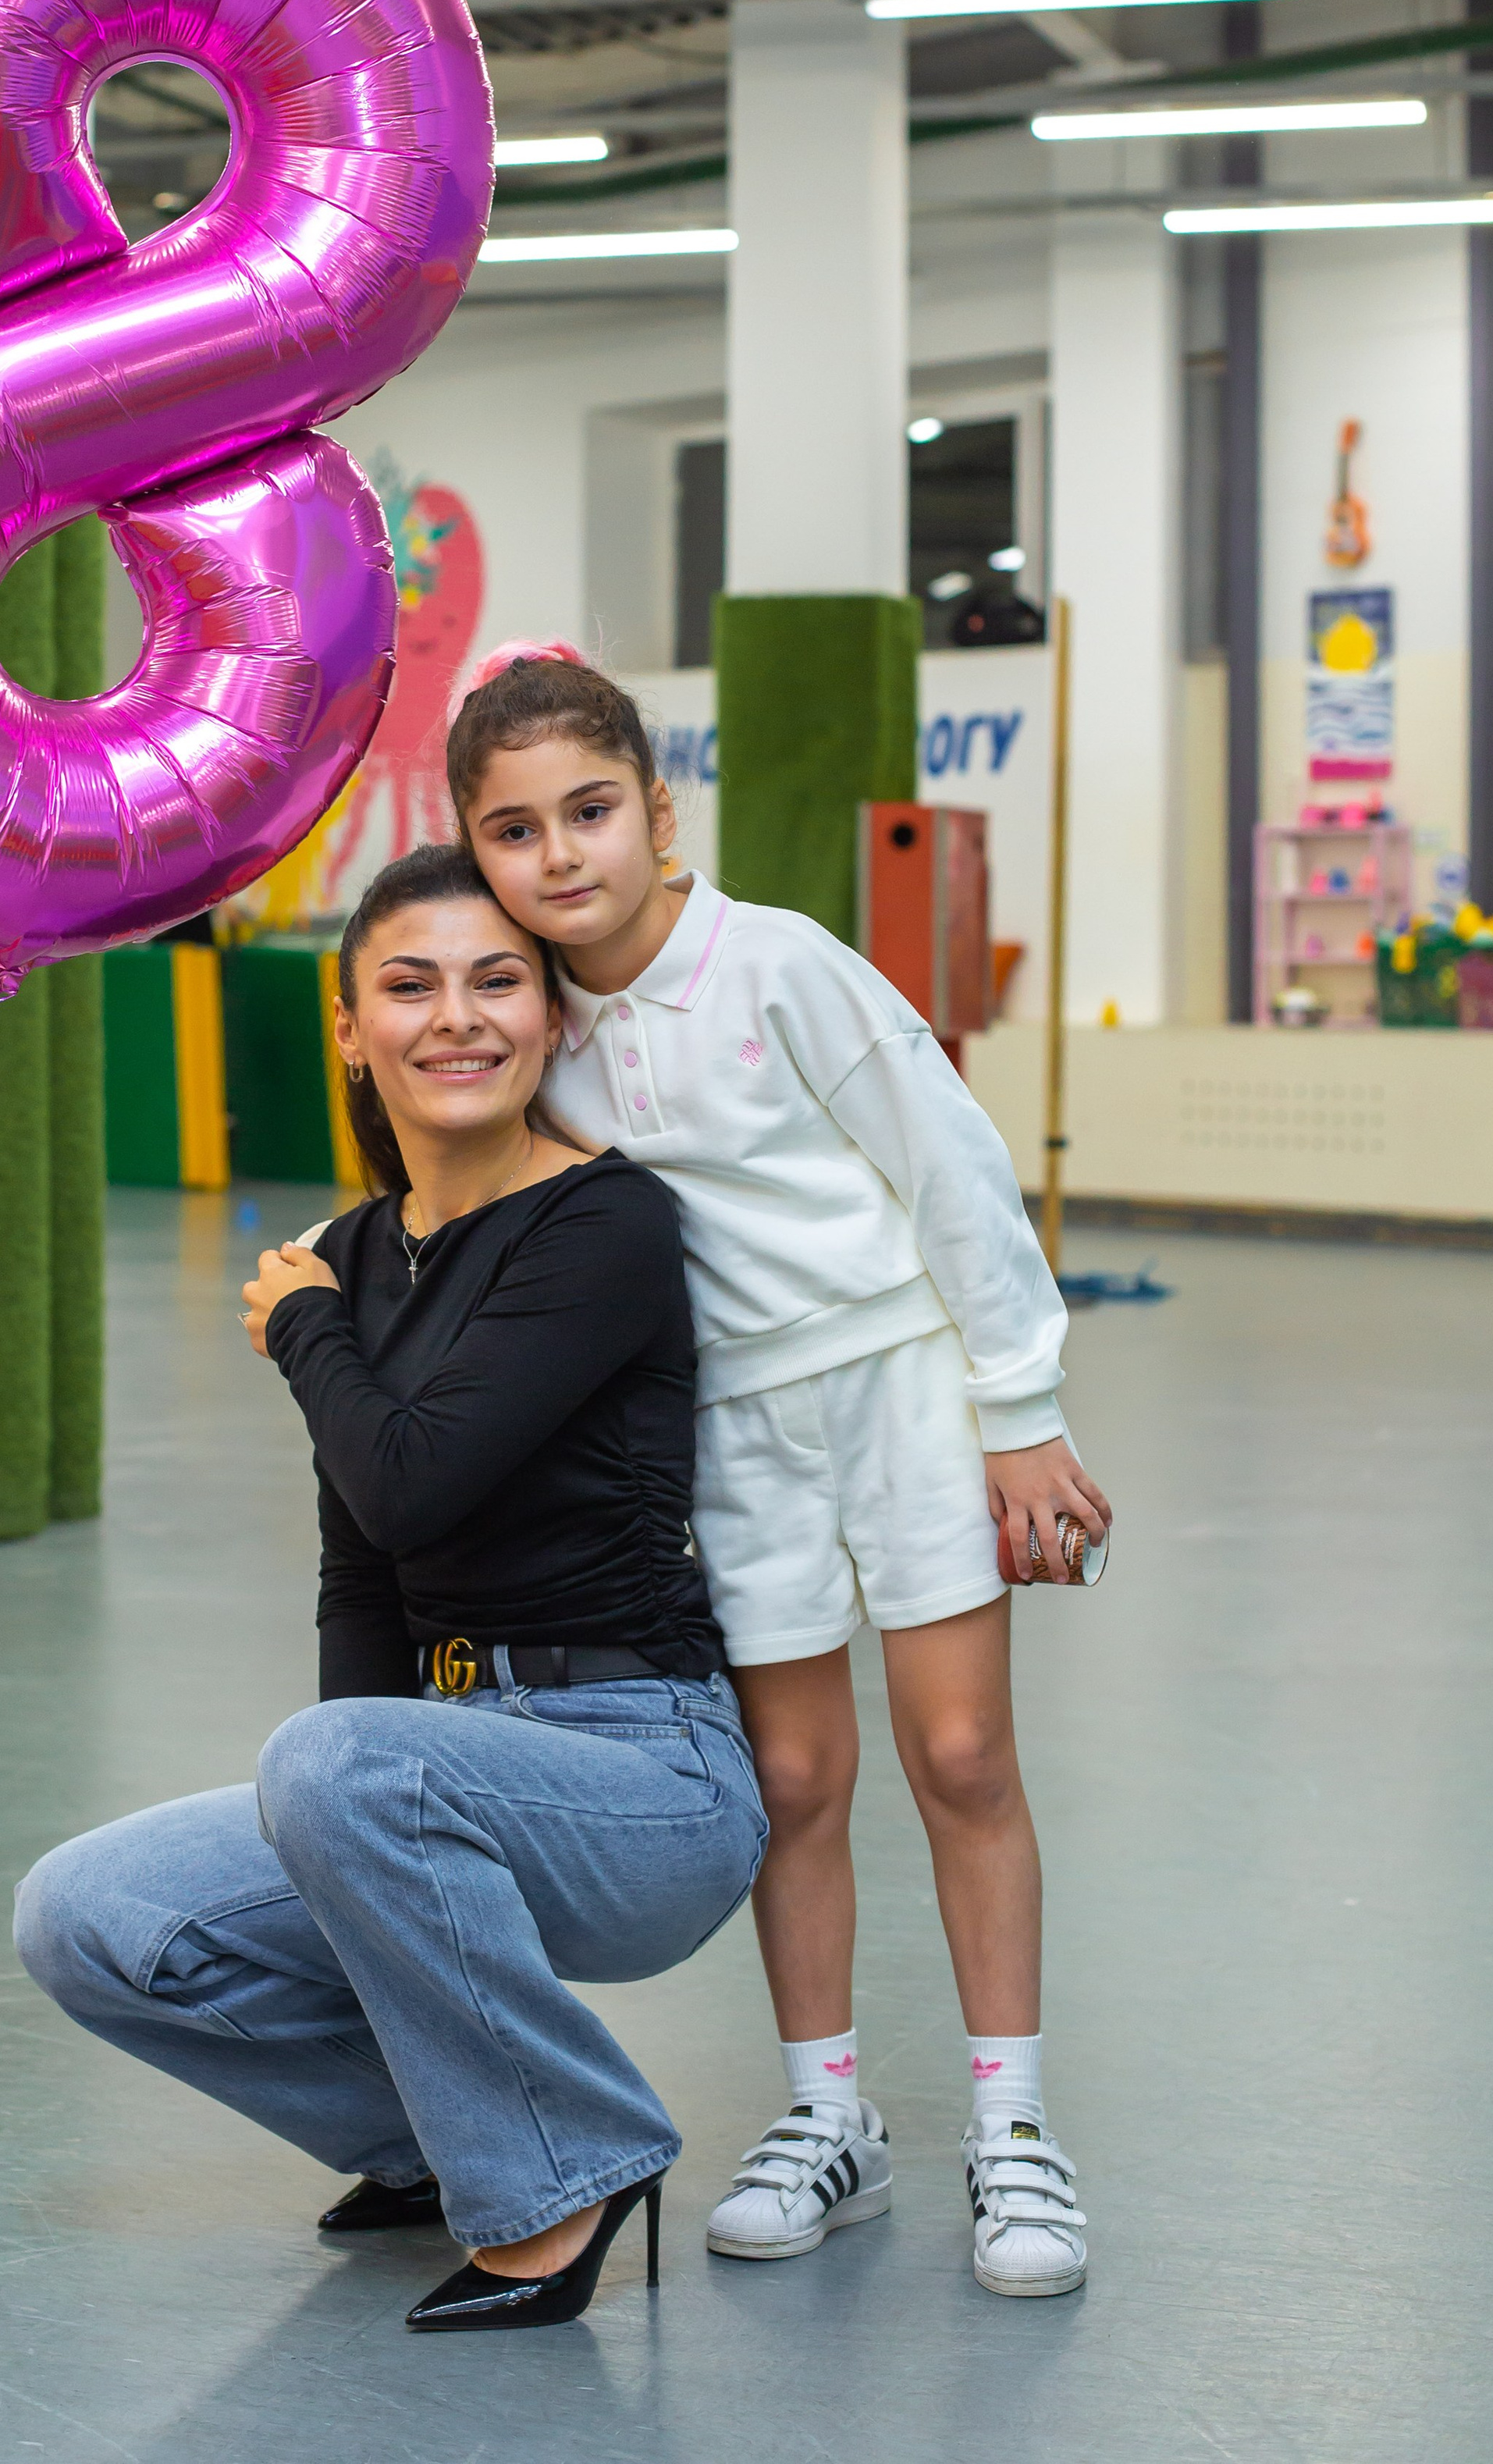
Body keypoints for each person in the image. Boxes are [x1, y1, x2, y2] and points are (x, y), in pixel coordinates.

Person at [15, 841, 766, 2334]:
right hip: (434, 1765)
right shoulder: (352, 1256)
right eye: (411, 988)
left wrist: (306, 1328)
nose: (459, 1018)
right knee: (86, 1913)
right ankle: (438, 2138)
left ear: (551, 1016)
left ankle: (563, 2171)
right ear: (351, 1030)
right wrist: (344, 1850)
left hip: (643, 1775)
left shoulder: (605, 1225)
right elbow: (365, 1563)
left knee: (338, 1759)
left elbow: (414, 1477)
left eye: (499, 982)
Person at [444, 645, 1111, 2300]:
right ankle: (829, 2118)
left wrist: (1018, 1411)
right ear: (477, 853)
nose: (559, 855)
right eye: (515, 831)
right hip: (728, 1436)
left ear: (659, 812)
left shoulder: (782, 963)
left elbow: (951, 1169)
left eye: (590, 810)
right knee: (793, 1785)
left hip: (903, 1389)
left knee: (960, 1754)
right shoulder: (533, 1032)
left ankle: (1013, 2125)